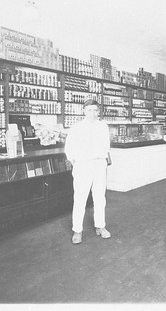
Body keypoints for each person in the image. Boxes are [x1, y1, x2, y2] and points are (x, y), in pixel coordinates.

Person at [64, 99, 112, 244]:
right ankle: (77, 230)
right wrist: (77, 163)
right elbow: (69, 149)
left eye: (95, 110)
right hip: (83, 165)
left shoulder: (103, 127)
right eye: (89, 110)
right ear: (84, 111)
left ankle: (100, 226)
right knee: (80, 198)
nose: (92, 113)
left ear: (99, 112)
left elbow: (106, 146)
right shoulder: (76, 128)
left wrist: (101, 160)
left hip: (99, 164)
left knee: (99, 197)